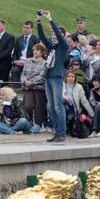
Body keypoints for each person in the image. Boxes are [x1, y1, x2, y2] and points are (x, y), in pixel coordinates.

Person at [37, 11, 70, 143]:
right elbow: (42, 37)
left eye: (56, 33)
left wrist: (50, 19)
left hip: (56, 76)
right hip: (48, 76)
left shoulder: (63, 46)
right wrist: (39, 21)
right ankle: (56, 131)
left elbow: (58, 35)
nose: (53, 35)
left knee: (58, 105)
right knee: (50, 106)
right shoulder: (52, 47)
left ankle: (61, 132)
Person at [19, 42, 48, 127]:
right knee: (27, 106)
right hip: (28, 87)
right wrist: (25, 81)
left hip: (39, 88)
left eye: (37, 50)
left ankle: (38, 125)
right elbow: (23, 73)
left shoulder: (45, 63)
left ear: (42, 52)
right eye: (34, 50)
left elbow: (42, 76)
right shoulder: (27, 61)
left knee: (39, 108)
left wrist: (32, 82)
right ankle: (29, 123)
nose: (35, 52)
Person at [61, 69, 92, 138]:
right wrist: (65, 98)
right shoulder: (61, 85)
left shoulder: (79, 87)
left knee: (70, 103)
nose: (70, 78)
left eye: (72, 77)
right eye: (68, 76)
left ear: (75, 78)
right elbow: (58, 96)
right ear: (66, 77)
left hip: (74, 110)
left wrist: (91, 113)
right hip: (63, 106)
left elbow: (84, 101)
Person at [11, 20, 38, 85]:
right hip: (19, 62)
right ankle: (17, 89)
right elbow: (15, 53)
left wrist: (26, 62)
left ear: (32, 29)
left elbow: (37, 55)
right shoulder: (18, 39)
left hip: (30, 63)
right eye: (24, 27)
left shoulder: (36, 39)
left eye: (27, 28)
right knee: (14, 71)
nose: (25, 29)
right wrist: (15, 61)